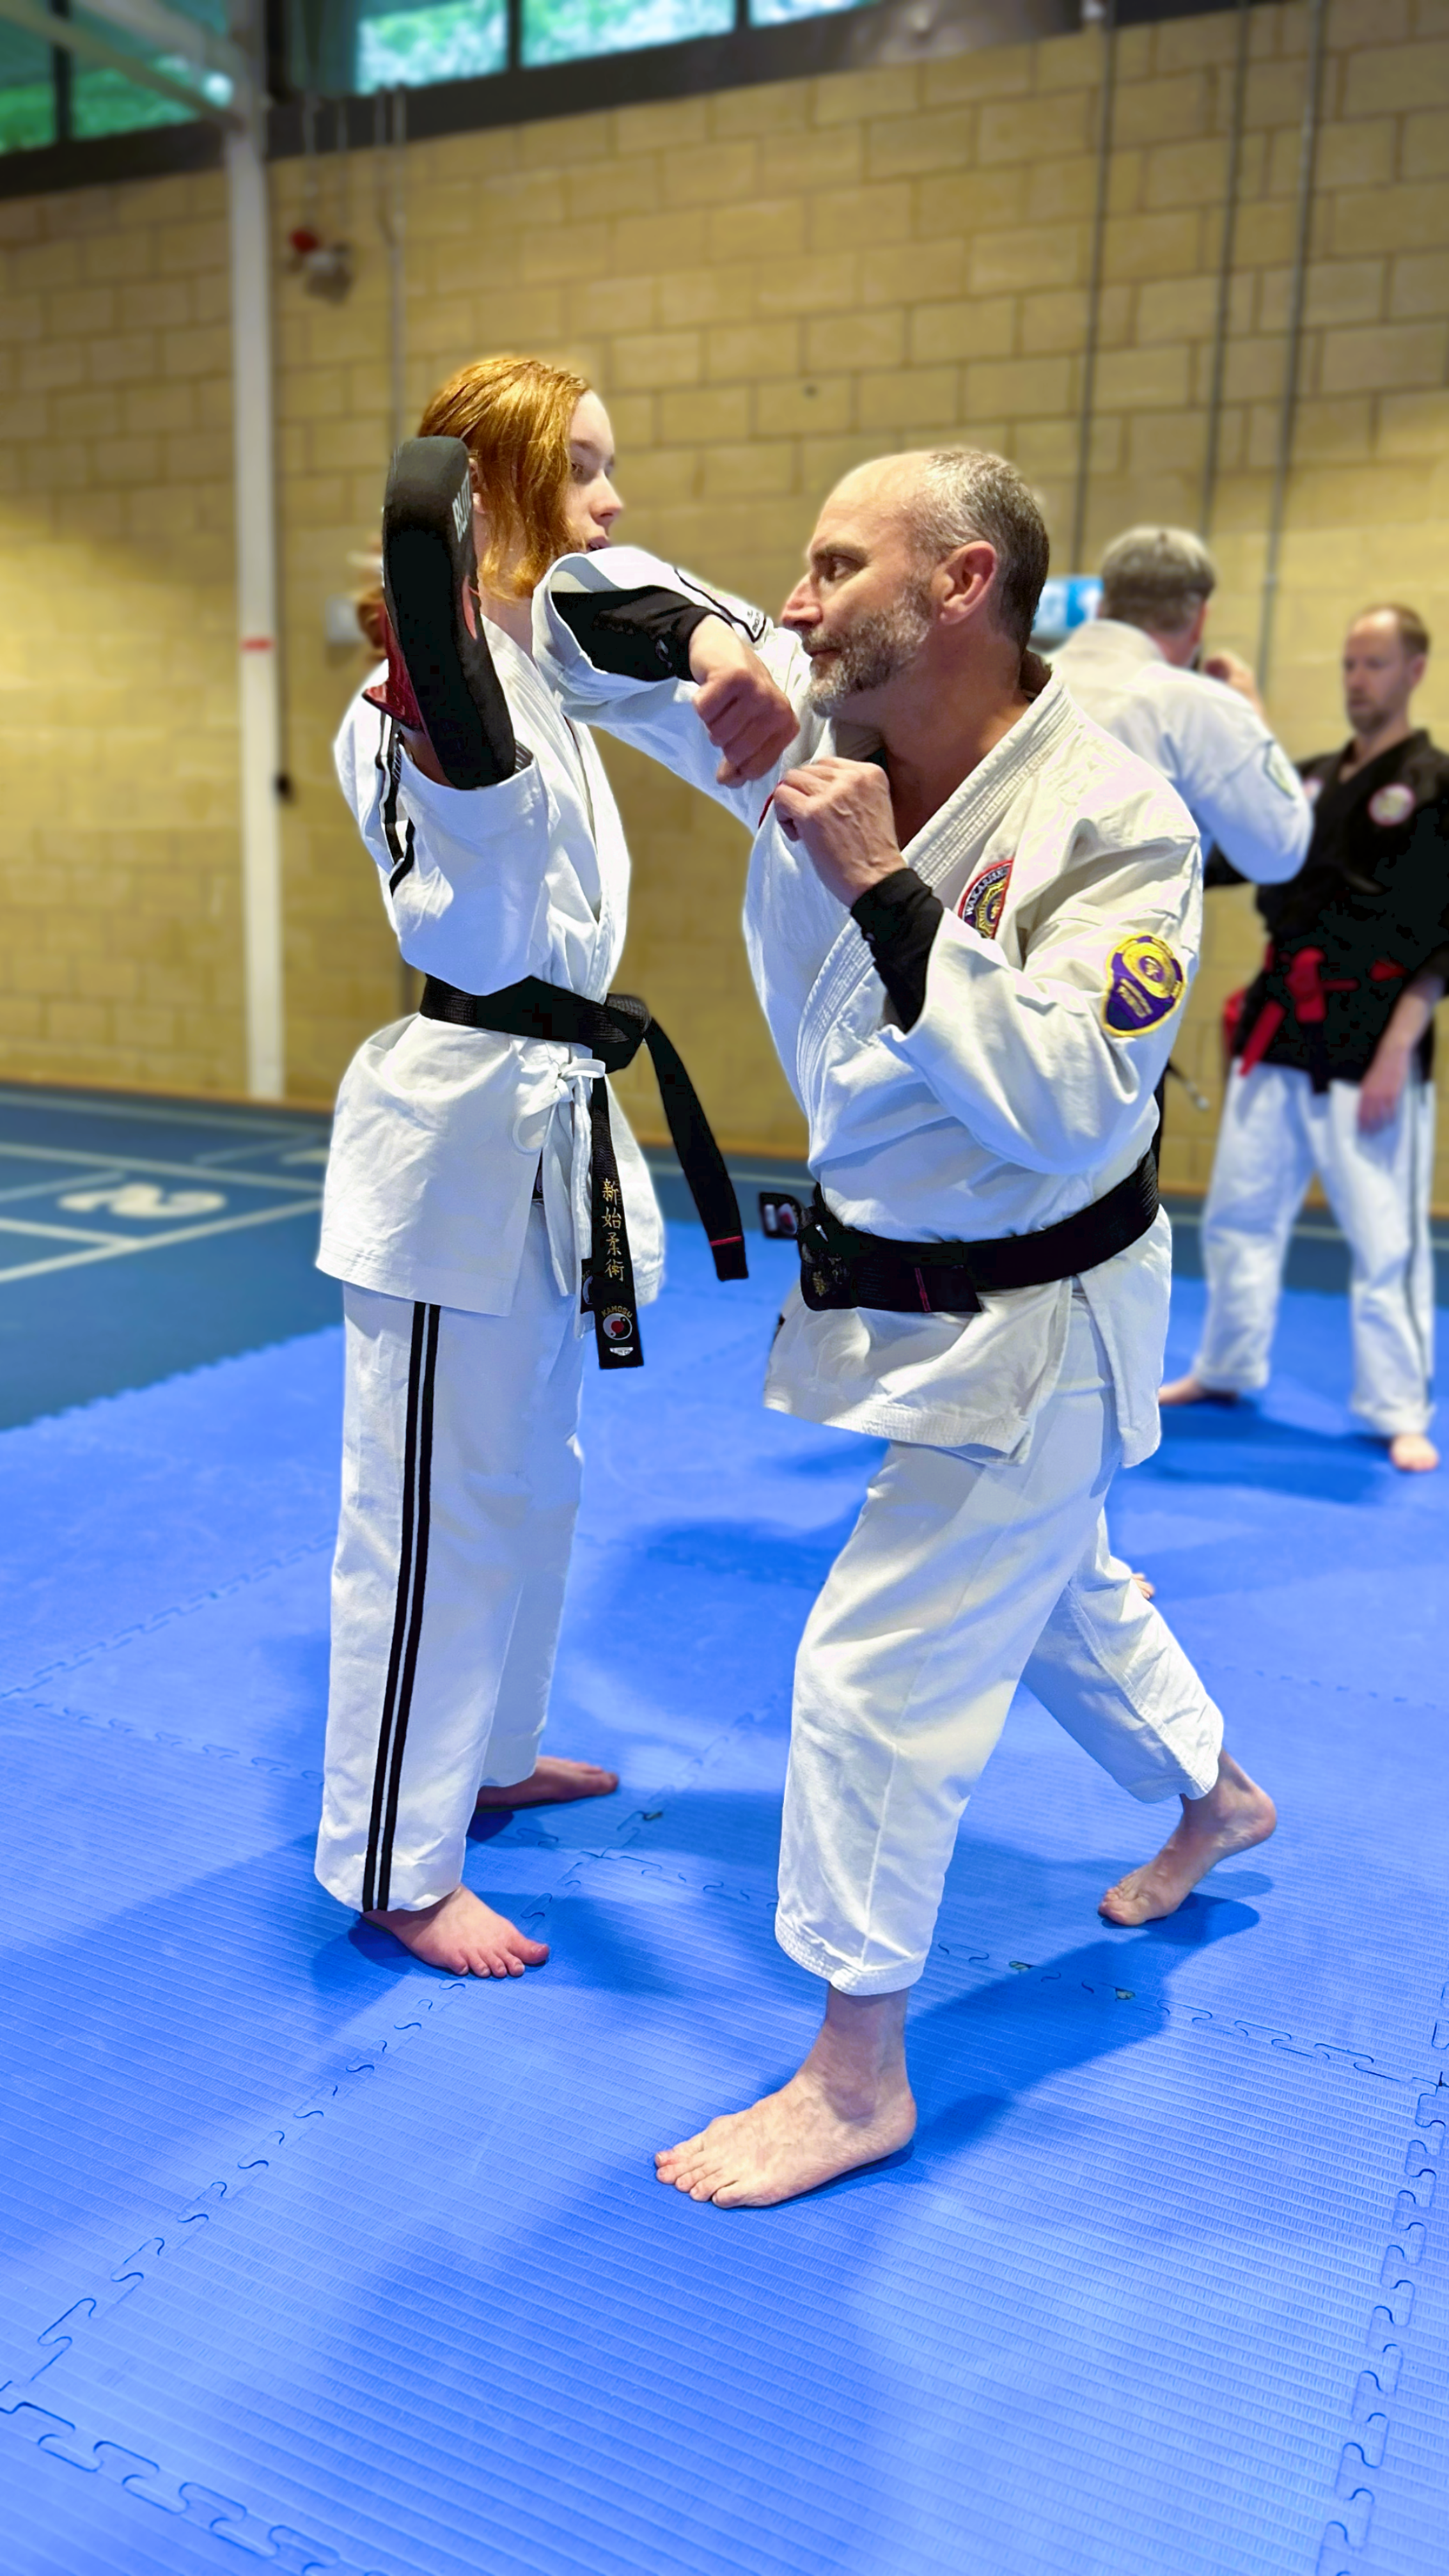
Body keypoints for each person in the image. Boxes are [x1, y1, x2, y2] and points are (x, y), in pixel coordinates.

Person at [535, 446, 1276, 2207]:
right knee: (1063, 1595)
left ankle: (855, 2074)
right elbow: (569, 614)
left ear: (959, 584)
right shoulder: (803, 718)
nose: (796, 602)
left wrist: (885, 891)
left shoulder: (1117, 817)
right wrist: (702, 649)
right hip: (907, 1290)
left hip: (1045, 1313)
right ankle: (1217, 1796)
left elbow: (1077, 1100)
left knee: (872, 1670)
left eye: (833, 565)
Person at [313, 355, 745, 1978]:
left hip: (556, 1112)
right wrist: (464, 757)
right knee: (429, 1510)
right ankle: (389, 1858)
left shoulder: (549, 671)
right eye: (579, 469)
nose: (611, 503)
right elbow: (475, 933)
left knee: (536, 1482)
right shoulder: (404, 702)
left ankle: (488, 1758)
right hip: (455, 1144)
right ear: (483, 491)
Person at [1161, 604, 1448, 1472]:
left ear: (1414, 671)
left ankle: (1396, 1408)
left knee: (1384, 1238)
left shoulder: (1432, 782)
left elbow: (1441, 935)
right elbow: (1251, 845)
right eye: (1349, 664)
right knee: (1239, 1215)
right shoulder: (1314, 777)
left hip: (1371, 1043)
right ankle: (1226, 1366)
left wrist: (1399, 1049)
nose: (1357, 679)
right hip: (1279, 1029)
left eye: (1374, 664)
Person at [1053, 524, 1312, 887]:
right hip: (1123, 923)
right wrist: (1252, 718)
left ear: (1101, 607)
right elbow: (1278, 853)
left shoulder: (1021, 681)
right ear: (1199, 621)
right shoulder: (1198, 707)